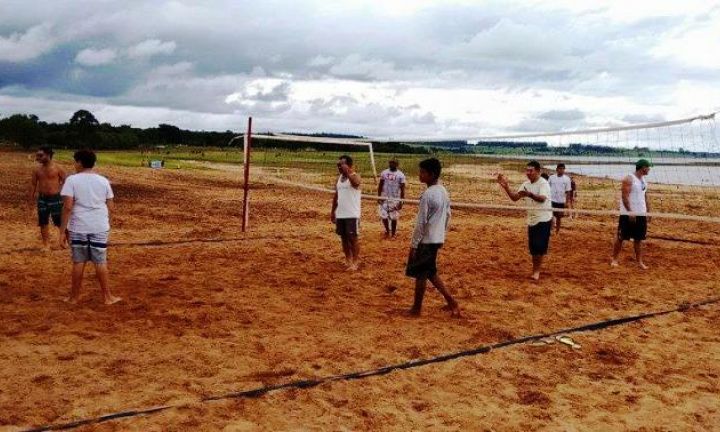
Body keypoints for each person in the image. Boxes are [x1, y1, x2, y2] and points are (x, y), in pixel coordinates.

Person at [59, 149, 121, 305]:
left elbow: (67, 207)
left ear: (79, 162)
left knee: (79, 262)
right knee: (100, 262)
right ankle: (107, 297)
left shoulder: (72, 180)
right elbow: (111, 206)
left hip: (79, 226)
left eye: (75, 161)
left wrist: (62, 232)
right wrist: (107, 224)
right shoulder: (103, 181)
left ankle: (74, 298)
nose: (74, 164)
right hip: (99, 225)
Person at [406, 158, 459, 317]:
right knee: (430, 272)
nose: (419, 174)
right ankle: (451, 301)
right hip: (436, 238)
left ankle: (417, 308)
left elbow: (421, 222)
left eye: (422, 172)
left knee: (422, 274)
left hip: (426, 240)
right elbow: (448, 215)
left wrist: (414, 244)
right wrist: (442, 234)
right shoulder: (443, 190)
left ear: (432, 174)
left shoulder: (428, 194)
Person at [497, 161, 553, 281]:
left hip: (544, 218)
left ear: (538, 171)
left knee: (539, 246)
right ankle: (535, 270)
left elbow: (542, 199)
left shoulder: (544, 184)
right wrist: (506, 187)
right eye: (527, 170)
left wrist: (529, 194)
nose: (528, 173)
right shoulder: (525, 184)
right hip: (532, 218)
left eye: (530, 170)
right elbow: (515, 198)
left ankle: (536, 271)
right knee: (533, 248)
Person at [611, 159, 652, 270]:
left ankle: (639, 262)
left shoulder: (644, 180)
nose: (649, 169)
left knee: (639, 239)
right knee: (621, 237)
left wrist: (648, 211)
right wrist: (630, 212)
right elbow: (624, 196)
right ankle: (614, 259)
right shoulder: (629, 178)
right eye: (648, 167)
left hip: (641, 213)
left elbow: (645, 196)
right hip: (628, 214)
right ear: (643, 167)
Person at [29, 146, 67, 251]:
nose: (38, 158)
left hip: (56, 199)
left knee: (60, 221)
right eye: (37, 155)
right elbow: (33, 184)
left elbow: (66, 181)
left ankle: (65, 241)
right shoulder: (36, 170)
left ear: (48, 155)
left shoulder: (58, 168)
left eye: (41, 155)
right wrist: (31, 198)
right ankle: (46, 245)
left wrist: (62, 193)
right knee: (43, 222)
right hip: (42, 199)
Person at [331, 155, 362, 271]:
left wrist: (348, 173)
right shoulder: (339, 179)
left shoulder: (355, 176)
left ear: (349, 165)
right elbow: (336, 196)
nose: (339, 167)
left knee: (353, 238)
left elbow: (356, 183)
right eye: (338, 165)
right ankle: (348, 259)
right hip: (341, 214)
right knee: (343, 237)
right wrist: (333, 212)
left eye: (342, 164)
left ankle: (355, 261)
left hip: (352, 214)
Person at [377, 158, 406, 239]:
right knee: (384, 216)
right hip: (384, 197)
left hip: (395, 199)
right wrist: (379, 196)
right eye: (390, 163)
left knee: (394, 217)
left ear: (397, 164)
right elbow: (380, 185)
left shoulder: (401, 175)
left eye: (393, 163)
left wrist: (401, 201)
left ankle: (393, 234)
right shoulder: (384, 173)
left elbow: (403, 189)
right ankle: (387, 230)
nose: (391, 164)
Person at [548, 163, 572, 234]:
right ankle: (551, 230)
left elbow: (568, 191)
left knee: (559, 217)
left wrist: (567, 202)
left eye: (563, 169)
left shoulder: (567, 179)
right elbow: (547, 188)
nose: (561, 170)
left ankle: (557, 232)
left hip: (561, 201)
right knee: (550, 216)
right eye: (560, 168)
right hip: (552, 200)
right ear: (556, 169)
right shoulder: (551, 177)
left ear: (564, 170)